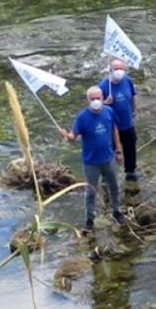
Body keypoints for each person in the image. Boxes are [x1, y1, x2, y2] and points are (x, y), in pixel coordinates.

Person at [61, 86, 126, 229]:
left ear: (103, 98)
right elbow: (73, 136)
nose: (96, 101)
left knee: (114, 187)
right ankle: (89, 219)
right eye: (93, 98)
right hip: (91, 162)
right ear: (88, 100)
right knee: (91, 191)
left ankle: (117, 211)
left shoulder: (109, 111)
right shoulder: (82, 117)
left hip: (109, 158)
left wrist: (119, 150)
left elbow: (114, 130)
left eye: (98, 98)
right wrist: (66, 135)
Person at [99, 58, 140, 181]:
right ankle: (106, 177)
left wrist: (133, 111)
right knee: (108, 152)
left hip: (127, 123)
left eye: (122, 69)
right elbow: (94, 107)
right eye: (116, 69)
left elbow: (132, 97)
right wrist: (105, 102)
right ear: (110, 70)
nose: (119, 71)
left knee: (130, 147)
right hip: (111, 127)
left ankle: (130, 171)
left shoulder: (128, 81)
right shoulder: (103, 86)